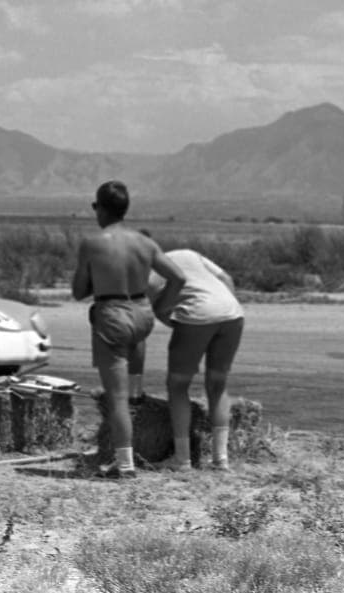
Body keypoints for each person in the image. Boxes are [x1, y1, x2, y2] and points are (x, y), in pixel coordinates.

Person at [72, 180, 185, 478]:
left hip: (112, 315)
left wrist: (101, 278)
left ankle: (124, 466)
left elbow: (78, 291)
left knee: (116, 398)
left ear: (102, 209)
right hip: (142, 314)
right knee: (131, 381)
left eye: (96, 207)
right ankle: (140, 398)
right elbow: (178, 278)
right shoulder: (145, 243)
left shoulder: (93, 243)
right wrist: (162, 307)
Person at [147, 243, 244, 472]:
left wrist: (172, 321)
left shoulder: (150, 270)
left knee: (178, 385)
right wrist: (222, 307)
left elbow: (156, 301)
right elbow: (227, 279)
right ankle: (221, 459)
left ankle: (182, 461)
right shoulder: (190, 253)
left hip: (196, 316)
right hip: (232, 313)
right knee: (218, 385)